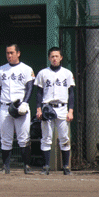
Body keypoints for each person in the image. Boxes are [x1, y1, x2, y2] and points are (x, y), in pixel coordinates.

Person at [0, 44, 35, 174]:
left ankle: (26, 165)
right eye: (7, 53)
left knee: (23, 138)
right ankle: (5, 166)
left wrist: (25, 103)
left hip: (20, 106)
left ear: (18, 53)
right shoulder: (0, 70)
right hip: (5, 107)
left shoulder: (26, 69)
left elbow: (30, 87)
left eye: (12, 53)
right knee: (5, 138)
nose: (9, 55)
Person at [35, 47, 75, 176]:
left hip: (63, 108)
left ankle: (66, 166)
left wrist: (71, 111)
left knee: (64, 138)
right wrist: (38, 109)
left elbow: (72, 93)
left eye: (57, 56)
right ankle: (46, 166)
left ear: (61, 57)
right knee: (46, 138)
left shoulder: (67, 73)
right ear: (49, 58)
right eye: (52, 56)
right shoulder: (43, 73)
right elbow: (39, 93)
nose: (54, 58)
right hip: (48, 107)